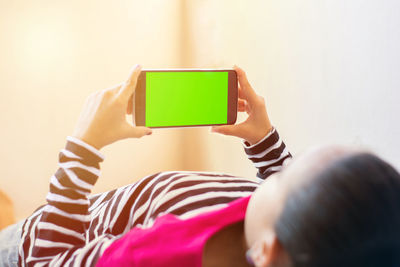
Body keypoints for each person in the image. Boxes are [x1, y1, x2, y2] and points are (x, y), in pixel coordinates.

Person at [1, 65, 399, 267]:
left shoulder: (154, 256)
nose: (277, 174)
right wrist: (263, 140)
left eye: (287, 178)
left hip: (34, 242)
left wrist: (84, 147)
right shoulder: (286, 234)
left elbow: (49, 262)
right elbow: (301, 202)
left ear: (266, 250)